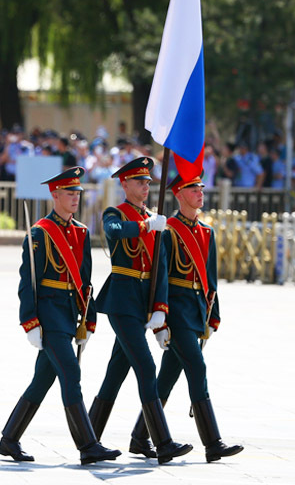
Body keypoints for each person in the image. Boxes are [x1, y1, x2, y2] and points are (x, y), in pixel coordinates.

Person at [0, 167, 120, 465]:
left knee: (42, 380)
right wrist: (30, 321)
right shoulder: (39, 233)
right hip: (48, 314)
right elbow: (28, 281)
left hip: (69, 313)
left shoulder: (81, 231)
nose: (75, 198)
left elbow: (85, 281)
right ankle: (88, 445)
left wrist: (88, 319)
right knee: (71, 373)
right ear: (55, 195)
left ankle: (9, 439)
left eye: (78, 193)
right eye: (69, 193)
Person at [125, 172, 243, 462]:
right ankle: (212, 442)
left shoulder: (206, 231)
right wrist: (160, 318)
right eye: (193, 189)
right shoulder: (169, 230)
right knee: (197, 367)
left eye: (201, 188)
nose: (200, 193)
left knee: (167, 377)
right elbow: (159, 276)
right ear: (178, 194)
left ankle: (140, 437)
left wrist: (213, 316)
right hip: (175, 310)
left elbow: (210, 279)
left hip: (196, 309)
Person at [88, 157, 193, 464]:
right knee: (146, 367)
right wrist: (147, 225)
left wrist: (160, 310)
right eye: (139, 181)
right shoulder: (116, 213)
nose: (146, 186)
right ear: (125, 184)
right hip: (122, 300)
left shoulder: (153, 218)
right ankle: (163, 443)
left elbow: (160, 268)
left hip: (143, 301)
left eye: (148, 182)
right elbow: (114, 231)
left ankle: (89, 440)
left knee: (115, 373)